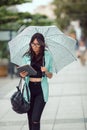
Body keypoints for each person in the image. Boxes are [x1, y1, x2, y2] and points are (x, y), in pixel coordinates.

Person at [19, 33, 53, 130]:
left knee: (35, 118)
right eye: (33, 44)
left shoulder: (47, 56)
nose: (35, 46)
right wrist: (22, 75)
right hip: (29, 90)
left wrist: (46, 71)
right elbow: (23, 74)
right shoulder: (26, 56)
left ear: (42, 45)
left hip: (41, 90)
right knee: (30, 119)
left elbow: (50, 76)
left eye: (37, 44)